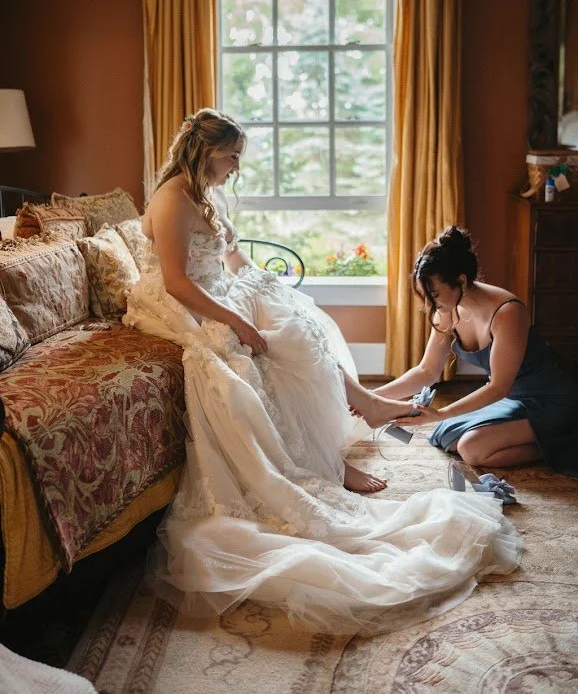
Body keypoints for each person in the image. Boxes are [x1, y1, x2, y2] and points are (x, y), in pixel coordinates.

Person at [123, 109, 522, 635]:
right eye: (232, 156)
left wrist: (258, 286)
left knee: (299, 318)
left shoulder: (202, 192)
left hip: (215, 290)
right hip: (183, 305)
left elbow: (229, 259)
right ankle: (334, 453)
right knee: (255, 350)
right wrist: (240, 321)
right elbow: (176, 282)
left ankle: (348, 428)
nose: (237, 167)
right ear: (206, 150)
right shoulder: (172, 197)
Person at [353, 226, 578, 477]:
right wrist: (369, 397)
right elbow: (427, 371)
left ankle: (563, 443)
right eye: (425, 295)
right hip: (516, 398)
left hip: (553, 400)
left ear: (461, 280)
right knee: (445, 436)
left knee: (471, 448)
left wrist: (440, 412)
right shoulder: (447, 310)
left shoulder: (507, 313)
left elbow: (498, 387)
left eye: (434, 294)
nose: (429, 304)